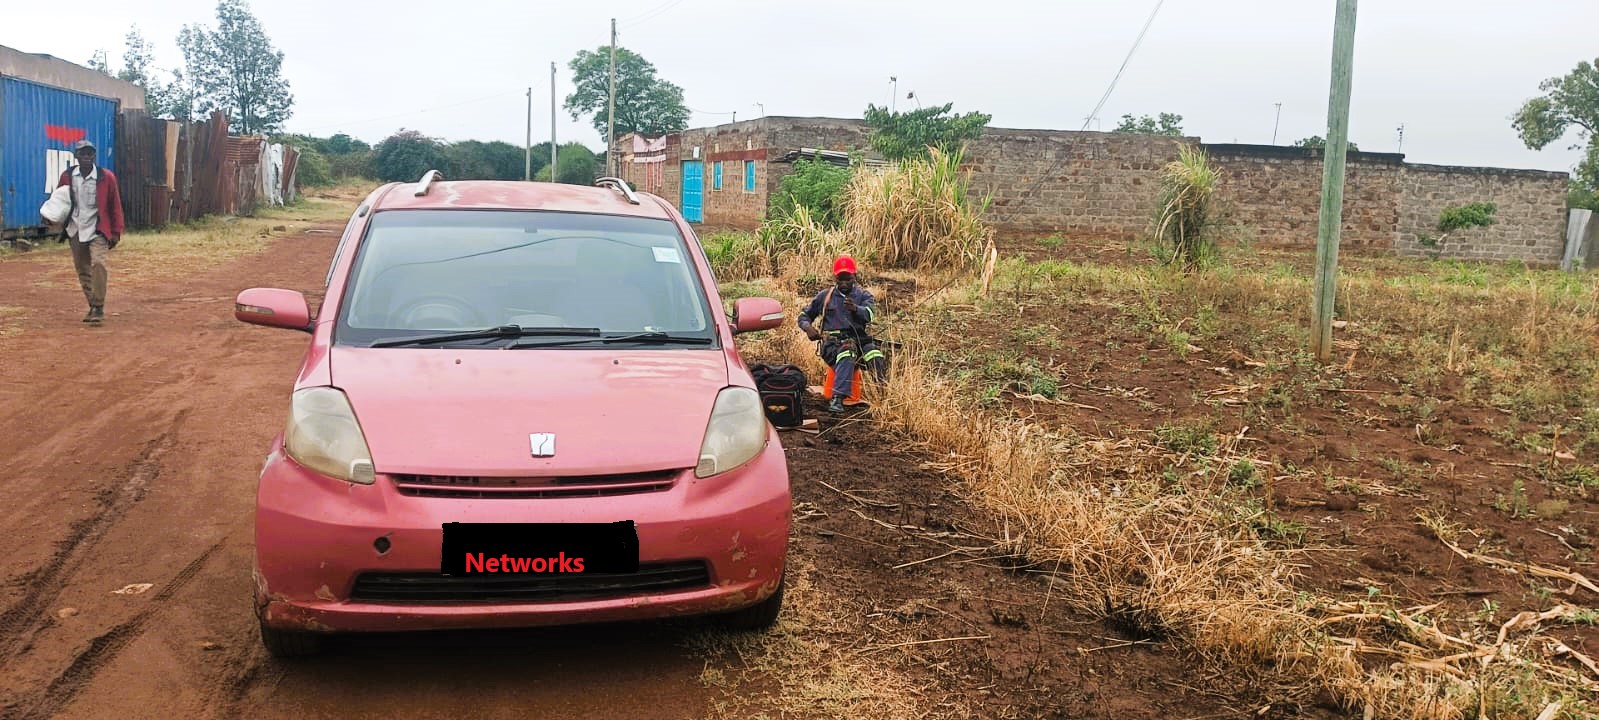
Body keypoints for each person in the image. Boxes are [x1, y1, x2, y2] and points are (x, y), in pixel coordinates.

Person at [798, 255, 886, 413]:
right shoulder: (825, 296)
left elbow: (870, 314)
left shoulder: (863, 296)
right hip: (832, 346)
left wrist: (856, 309)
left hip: (859, 341)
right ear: (835, 277)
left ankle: (885, 395)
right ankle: (837, 399)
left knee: (875, 354)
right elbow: (804, 316)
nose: (844, 283)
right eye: (840, 279)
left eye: (848, 279)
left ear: (855, 277)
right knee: (848, 350)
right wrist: (808, 328)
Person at [56, 140, 123, 324]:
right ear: (76, 156)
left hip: (98, 229)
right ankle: (93, 305)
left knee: (98, 264)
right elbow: (59, 201)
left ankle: (98, 307)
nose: (86, 157)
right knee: (83, 269)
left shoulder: (106, 177)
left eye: (89, 154)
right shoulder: (67, 176)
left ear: (94, 156)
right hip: (75, 229)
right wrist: (51, 218)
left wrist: (116, 231)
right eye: (82, 154)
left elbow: (115, 206)